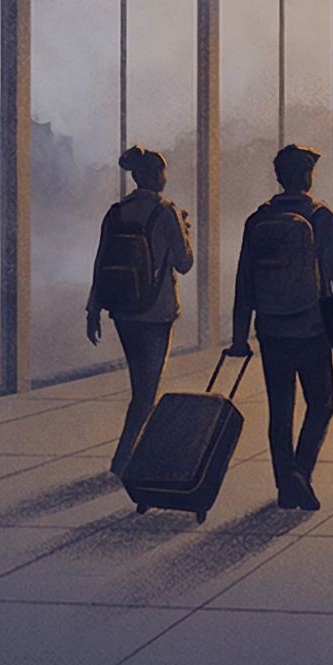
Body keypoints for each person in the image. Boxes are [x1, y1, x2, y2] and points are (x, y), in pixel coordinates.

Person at [227, 143, 333, 512]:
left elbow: (244, 282)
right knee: (321, 404)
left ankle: (285, 486)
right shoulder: (321, 218)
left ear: (280, 178)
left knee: (279, 411)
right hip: (312, 329)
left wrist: (239, 337)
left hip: (270, 331)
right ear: (307, 176)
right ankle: (301, 473)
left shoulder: (257, 220)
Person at [86, 144, 196, 476]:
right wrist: (184, 231)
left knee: (141, 386)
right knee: (146, 391)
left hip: (123, 311)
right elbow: (185, 262)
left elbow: (101, 261)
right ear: (155, 176)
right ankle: (125, 460)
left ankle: (129, 456)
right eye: (163, 170)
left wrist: (93, 309)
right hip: (156, 312)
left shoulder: (116, 212)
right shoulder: (166, 212)